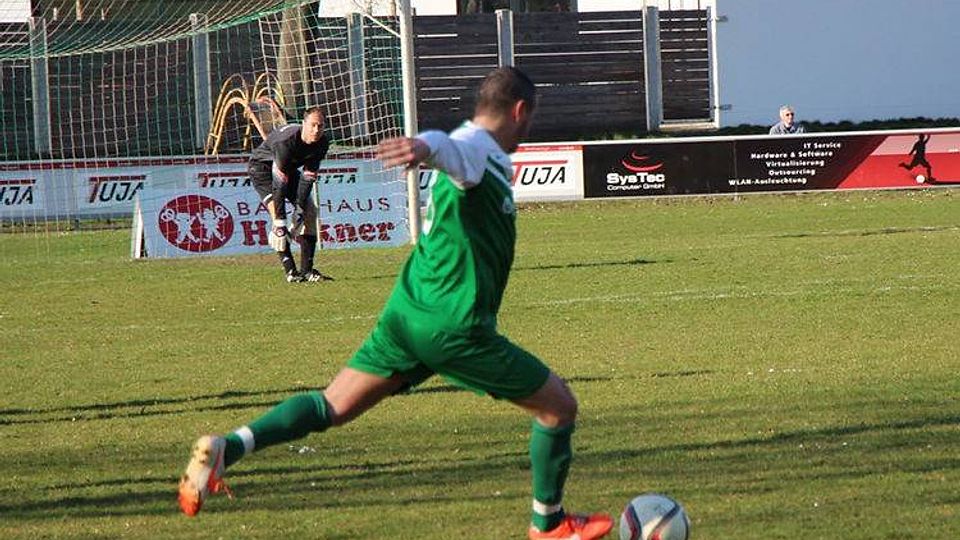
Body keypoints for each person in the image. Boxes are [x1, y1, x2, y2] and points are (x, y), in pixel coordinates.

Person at [177, 67, 614, 540]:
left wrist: (431, 147)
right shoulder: (478, 151)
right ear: (520, 111)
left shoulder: (479, 151)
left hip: (406, 315)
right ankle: (547, 523)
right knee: (558, 408)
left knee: (332, 405)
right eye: (529, 121)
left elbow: (449, 148)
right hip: (452, 326)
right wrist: (424, 147)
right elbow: (447, 148)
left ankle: (228, 448)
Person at [248, 105, 333, 283]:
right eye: (313, 125)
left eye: (320, 126)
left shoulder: (322, 143)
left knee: (310, 211)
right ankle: (291, 272)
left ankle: (307, 272)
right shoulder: (286, 143)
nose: (316, 130)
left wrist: (300, 212)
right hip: (262, 170)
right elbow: (279, 186)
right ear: (304, 124)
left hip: (288, 169)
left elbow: (307, 178)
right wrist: (280, 222)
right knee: (278, 217)